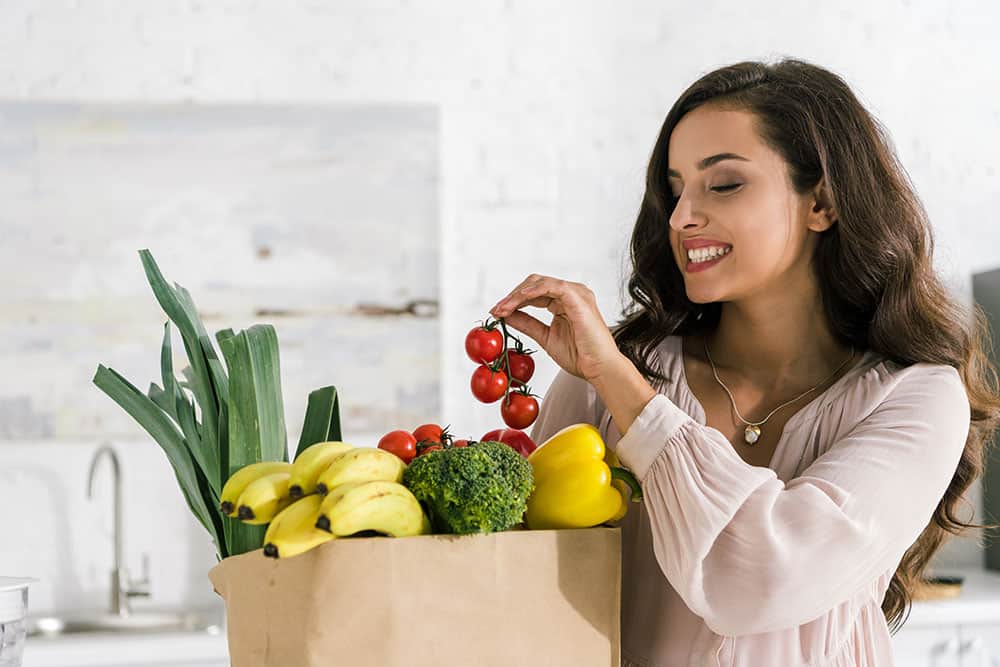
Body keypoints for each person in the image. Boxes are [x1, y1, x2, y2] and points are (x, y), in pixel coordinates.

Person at [489, 59, 1000, 666]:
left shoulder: (917, 397)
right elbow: (529, 584)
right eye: (675, 190)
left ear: (824, 203)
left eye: (724, 184)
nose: (681, 217)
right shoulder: (609, 379)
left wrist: (628, 394)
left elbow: (758, 582)